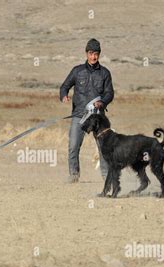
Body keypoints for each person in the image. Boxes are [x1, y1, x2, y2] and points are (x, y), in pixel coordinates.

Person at [60, 38, 114, 183]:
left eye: (96, 53)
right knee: (73, 146)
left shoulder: (105, 73)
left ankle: (106, 177)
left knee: (104, 148)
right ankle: (74, 176)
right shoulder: (77, 71)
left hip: (98, 118)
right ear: (86, 54)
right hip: (79, 115)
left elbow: (110, 93)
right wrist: (64, 96)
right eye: (91, 53)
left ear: (99, 54)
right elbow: (64, 86)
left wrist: (102, 102)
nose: (93, 57)